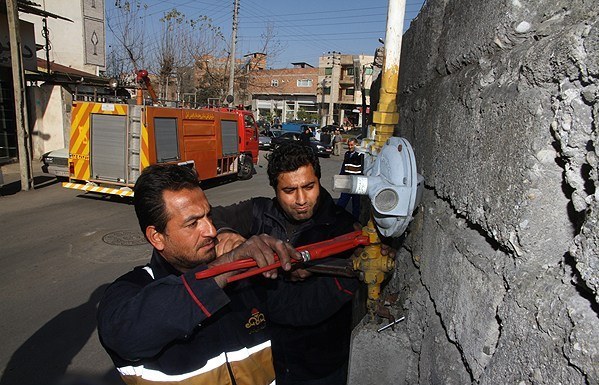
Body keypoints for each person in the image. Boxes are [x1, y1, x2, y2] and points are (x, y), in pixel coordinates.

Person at [96, 163, 358, 385]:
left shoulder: (242, 280)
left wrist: (354, 271)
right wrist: (226, 265)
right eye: (193, 223)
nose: (211, 230)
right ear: (157, 237)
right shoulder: (127, 295)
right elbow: (130, 334)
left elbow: (299, 307)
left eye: (209, 216)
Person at [211, 142, 359, 385]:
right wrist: (227, 234)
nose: (301, 200)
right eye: (289, 190)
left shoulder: (343, 229)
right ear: (275, 190)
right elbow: (213, 215)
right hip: (267, 361)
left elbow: (313, 304)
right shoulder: (259, 211)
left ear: (319, 181)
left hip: (321, 367)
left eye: (309, 187)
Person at [337, 138, 364, 220]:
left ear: (356, 145)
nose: (350, 147)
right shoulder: (347, 154)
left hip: (356, 183)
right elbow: (344, 166)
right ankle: (337, 219)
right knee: (342, 202)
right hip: (347, 182)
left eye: (352, 145)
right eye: (349, 145)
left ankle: (355, 221)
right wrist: (340, 177)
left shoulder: (360, 155)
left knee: (356, 205)